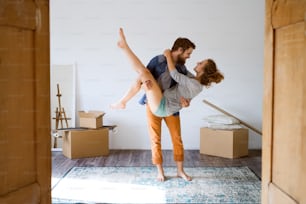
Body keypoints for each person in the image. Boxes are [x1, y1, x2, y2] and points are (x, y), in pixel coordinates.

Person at [111, 28, 224, 181]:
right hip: (156, 103)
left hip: (168, 107)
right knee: (143, 74)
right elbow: (145, 76)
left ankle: (180, 171)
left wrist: (186, 102)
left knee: (177, 138)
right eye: (188, 53)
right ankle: (160, 171)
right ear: (179, 50)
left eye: (195, 58)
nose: (191, 58)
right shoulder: (159, 61)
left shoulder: (183, 70)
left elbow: (176, 76)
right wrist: (145, 86)